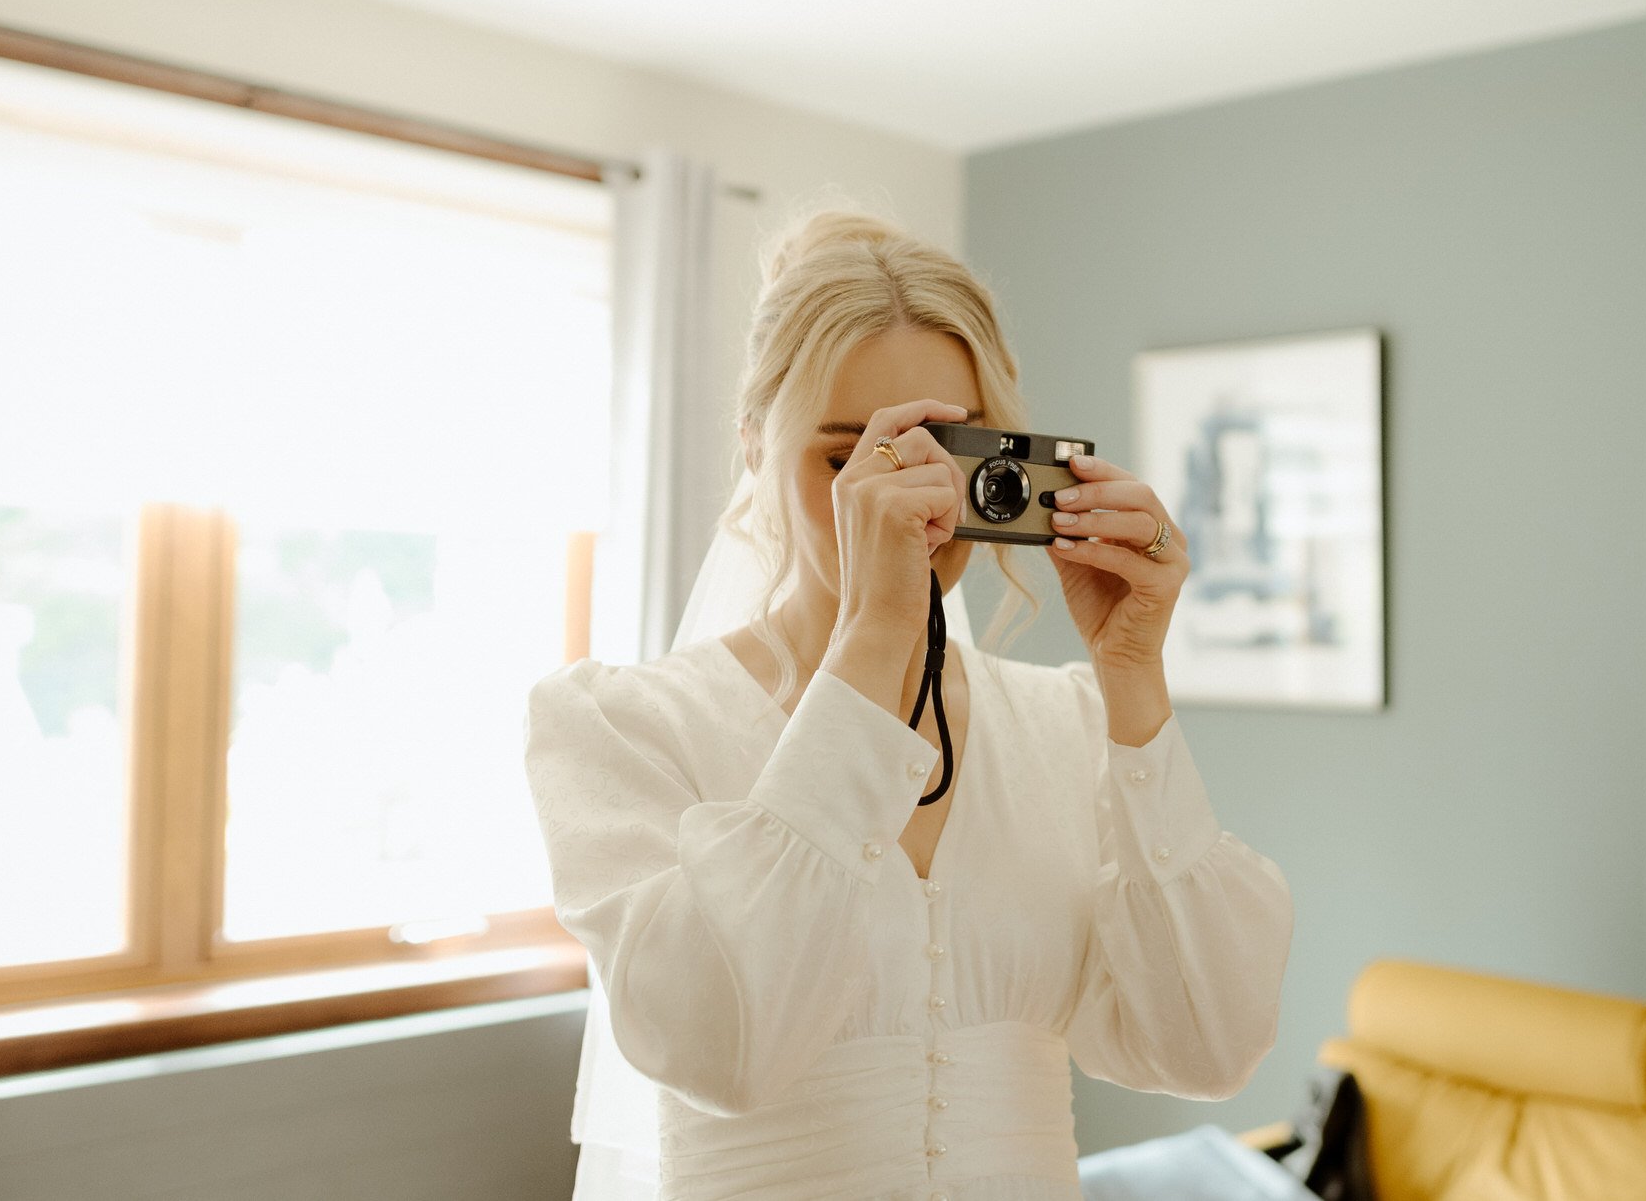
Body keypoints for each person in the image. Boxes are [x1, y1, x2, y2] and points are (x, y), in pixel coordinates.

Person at [523, 210, 1294, 1201]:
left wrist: (1133, 673)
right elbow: (724, 1049)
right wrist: (874, 638)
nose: (905, 504)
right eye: (847, 458)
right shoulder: (622, 728)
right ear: (754, 448)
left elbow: (1204, 1047)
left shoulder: (1061, 725)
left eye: (946, 456)